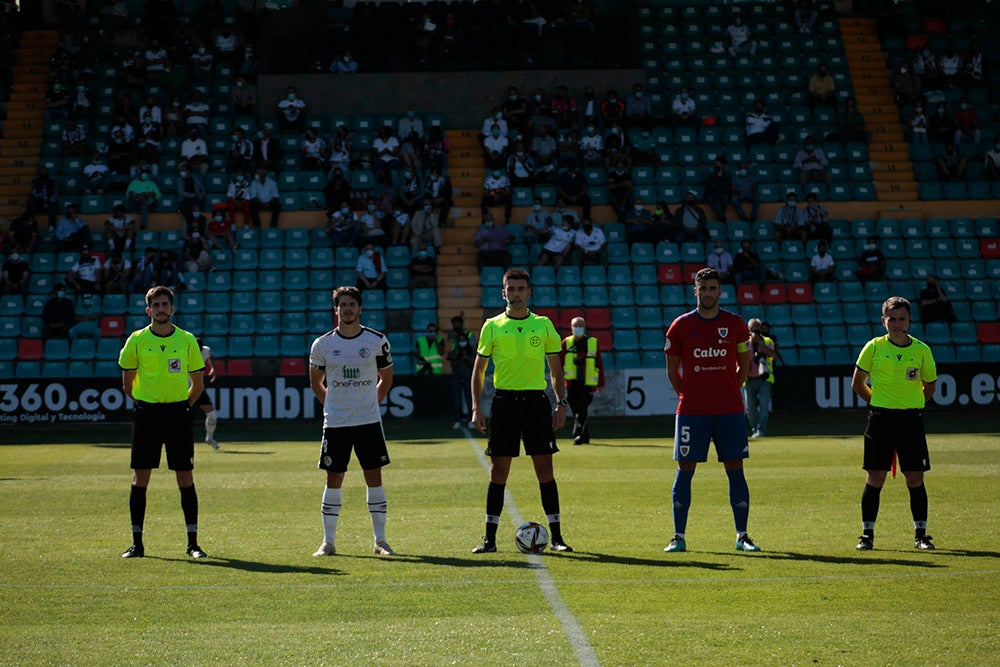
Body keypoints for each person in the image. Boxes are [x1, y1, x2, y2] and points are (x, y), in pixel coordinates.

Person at [470, 268, 572, 554]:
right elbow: (478, 372)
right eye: (510, 289)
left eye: (520, 289)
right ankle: (489, 540)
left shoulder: (543, 325)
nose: (515, 293)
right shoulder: (492, 326)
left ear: (529, 292)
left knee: (545, 468)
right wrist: (477, 407)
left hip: (536, 404)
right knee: (498, 471)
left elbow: (555, 370)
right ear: (503, 292)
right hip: (503, 404)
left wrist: (560, 403)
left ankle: (558, 538)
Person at [664, 267, 759, 554]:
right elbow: (672, 371)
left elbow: (744, 364)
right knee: (685, 469)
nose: (707, 293)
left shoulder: (735, 323)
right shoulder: (680, 325)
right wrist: (688, 394)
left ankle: (742, 536)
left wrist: (732, 387)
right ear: (695, 290)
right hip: (692, 411)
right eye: (703, 288)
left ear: (720, 291)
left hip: (729, 410)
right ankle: (678, 537)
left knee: (735, 468)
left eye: (712, 288)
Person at [118, 285, 207, 559]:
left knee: (185, 477)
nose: (160, 309)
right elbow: (127, 384)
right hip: (147, 414)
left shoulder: (187, 340)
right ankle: (137, 544)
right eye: (155, 305)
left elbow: (198, 384)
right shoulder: (136, 340)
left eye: (165, 304)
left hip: (178, 414)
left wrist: (182, 407)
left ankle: (193, 544)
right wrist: (148, 403)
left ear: (173, 308)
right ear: (148, 310)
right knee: (140, 477)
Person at [309, 286, 396, 557]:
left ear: (360, 308)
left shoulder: (376, 341)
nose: (347, 309)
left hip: (369, 421)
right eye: (342, 305)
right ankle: (328, 542)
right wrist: (335, 407)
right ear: (335, 309)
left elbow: (387, 378)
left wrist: (371, 402)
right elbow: (316, 383)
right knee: (334, 478)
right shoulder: (322, 344)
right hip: (336, 423)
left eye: (351, 305)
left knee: (374, 476)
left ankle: (380, 541)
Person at [851, 296, 938, 551]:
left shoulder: (922, 350)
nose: (897, 324)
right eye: (892, 319)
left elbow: (930, 385)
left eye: (902, 319)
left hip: (911, 420)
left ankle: (921, 535)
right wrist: (877, 402)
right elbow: (857, 383)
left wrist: (912, 403)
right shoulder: (873, 347)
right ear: (883, 320)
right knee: (875, 477)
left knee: (915, 477)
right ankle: (867, 536)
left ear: (910, 320)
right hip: (880, 420)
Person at [560, 316, 605, 445]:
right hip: (571, 383)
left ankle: (577, 434)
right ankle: (585, 437)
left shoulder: (592, 343)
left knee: (582, 409)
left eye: (580, 326)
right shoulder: (566, 343)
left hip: (587, 384)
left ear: (585, 328)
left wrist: (601, 383)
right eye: (575, 326)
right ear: (571, 328)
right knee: (576, 410)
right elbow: (558, 362)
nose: (578, 328)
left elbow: (599, 364)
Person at [743, 318, 775, 439]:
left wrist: (760, 345)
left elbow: (772, 354)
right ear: (748, 330)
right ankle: (754, 428)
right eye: (752, 329)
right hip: (749, 379)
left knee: (763, 406)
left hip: (764, 379)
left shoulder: (767, 341)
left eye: (757, 329)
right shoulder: (745, 343)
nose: (755, 332)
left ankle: (761, 430)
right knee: (750, 408)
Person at [194, 337, 221, 449]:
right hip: (182, 389)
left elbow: (211, 356)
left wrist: (213, 368)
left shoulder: (205, 350)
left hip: (198, 389)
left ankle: (209, 438)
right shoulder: (182, 352)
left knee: (212, 415)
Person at [448, 328, 476, 429]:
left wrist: (467, 358)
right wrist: (456, 357)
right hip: (457, 376)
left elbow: (473, 363)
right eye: (460, 340)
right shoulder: (454, 350)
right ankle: (457, 420)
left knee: (469, 399)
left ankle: (470, 420)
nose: (462, 342)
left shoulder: (470, 351)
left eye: (463, 340)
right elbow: (452, 363)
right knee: (457, 400)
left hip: (468, 377)